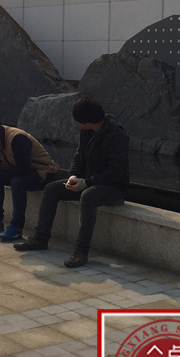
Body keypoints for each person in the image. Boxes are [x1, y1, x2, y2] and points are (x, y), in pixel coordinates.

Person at [14, 97, 129, 268]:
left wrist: (87, 182)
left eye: (80, 121)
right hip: (89, 180)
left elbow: (116, 171)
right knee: (52, 189)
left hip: (113, 186)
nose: (79, 125)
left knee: (88, 196)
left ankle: (81, 251)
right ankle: (40, 238)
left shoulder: (116, 135)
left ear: (87, 121)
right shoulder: (87, 131)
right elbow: (79, 156)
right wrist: (73, 176)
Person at [0, 124, 60, 242]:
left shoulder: (17, 139)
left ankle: (17, 227)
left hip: (42, 173)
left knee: (17, 182)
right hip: (23, 170)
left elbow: (23, 168)